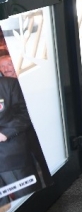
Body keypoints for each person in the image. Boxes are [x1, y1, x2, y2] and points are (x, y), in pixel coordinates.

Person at [0, 56, 36, 207]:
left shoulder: (9, 85)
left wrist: (5, 133)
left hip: (10, 157)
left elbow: (26, 114)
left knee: (26, 200)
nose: (6, 68)